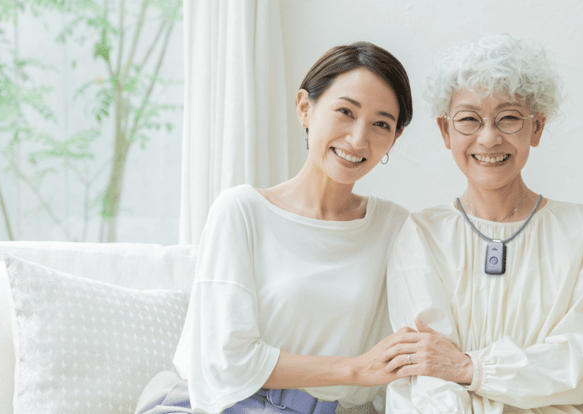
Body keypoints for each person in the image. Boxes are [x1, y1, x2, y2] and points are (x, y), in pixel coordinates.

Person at [136, 41, 416, 414]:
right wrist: (355, 369)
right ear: (305, 108)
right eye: (345, 111)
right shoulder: (242, 211)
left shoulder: (394, 228)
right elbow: (227, 359)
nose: (358, 138)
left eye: (381, 124)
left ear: (394, 138)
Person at [382, 34, 583, 414]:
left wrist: (470, 367)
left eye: (509, 117)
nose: (489, 137)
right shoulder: (421, 233)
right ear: (446, 131)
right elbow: (426, 374)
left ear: (537, 127)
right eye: (468, 119)